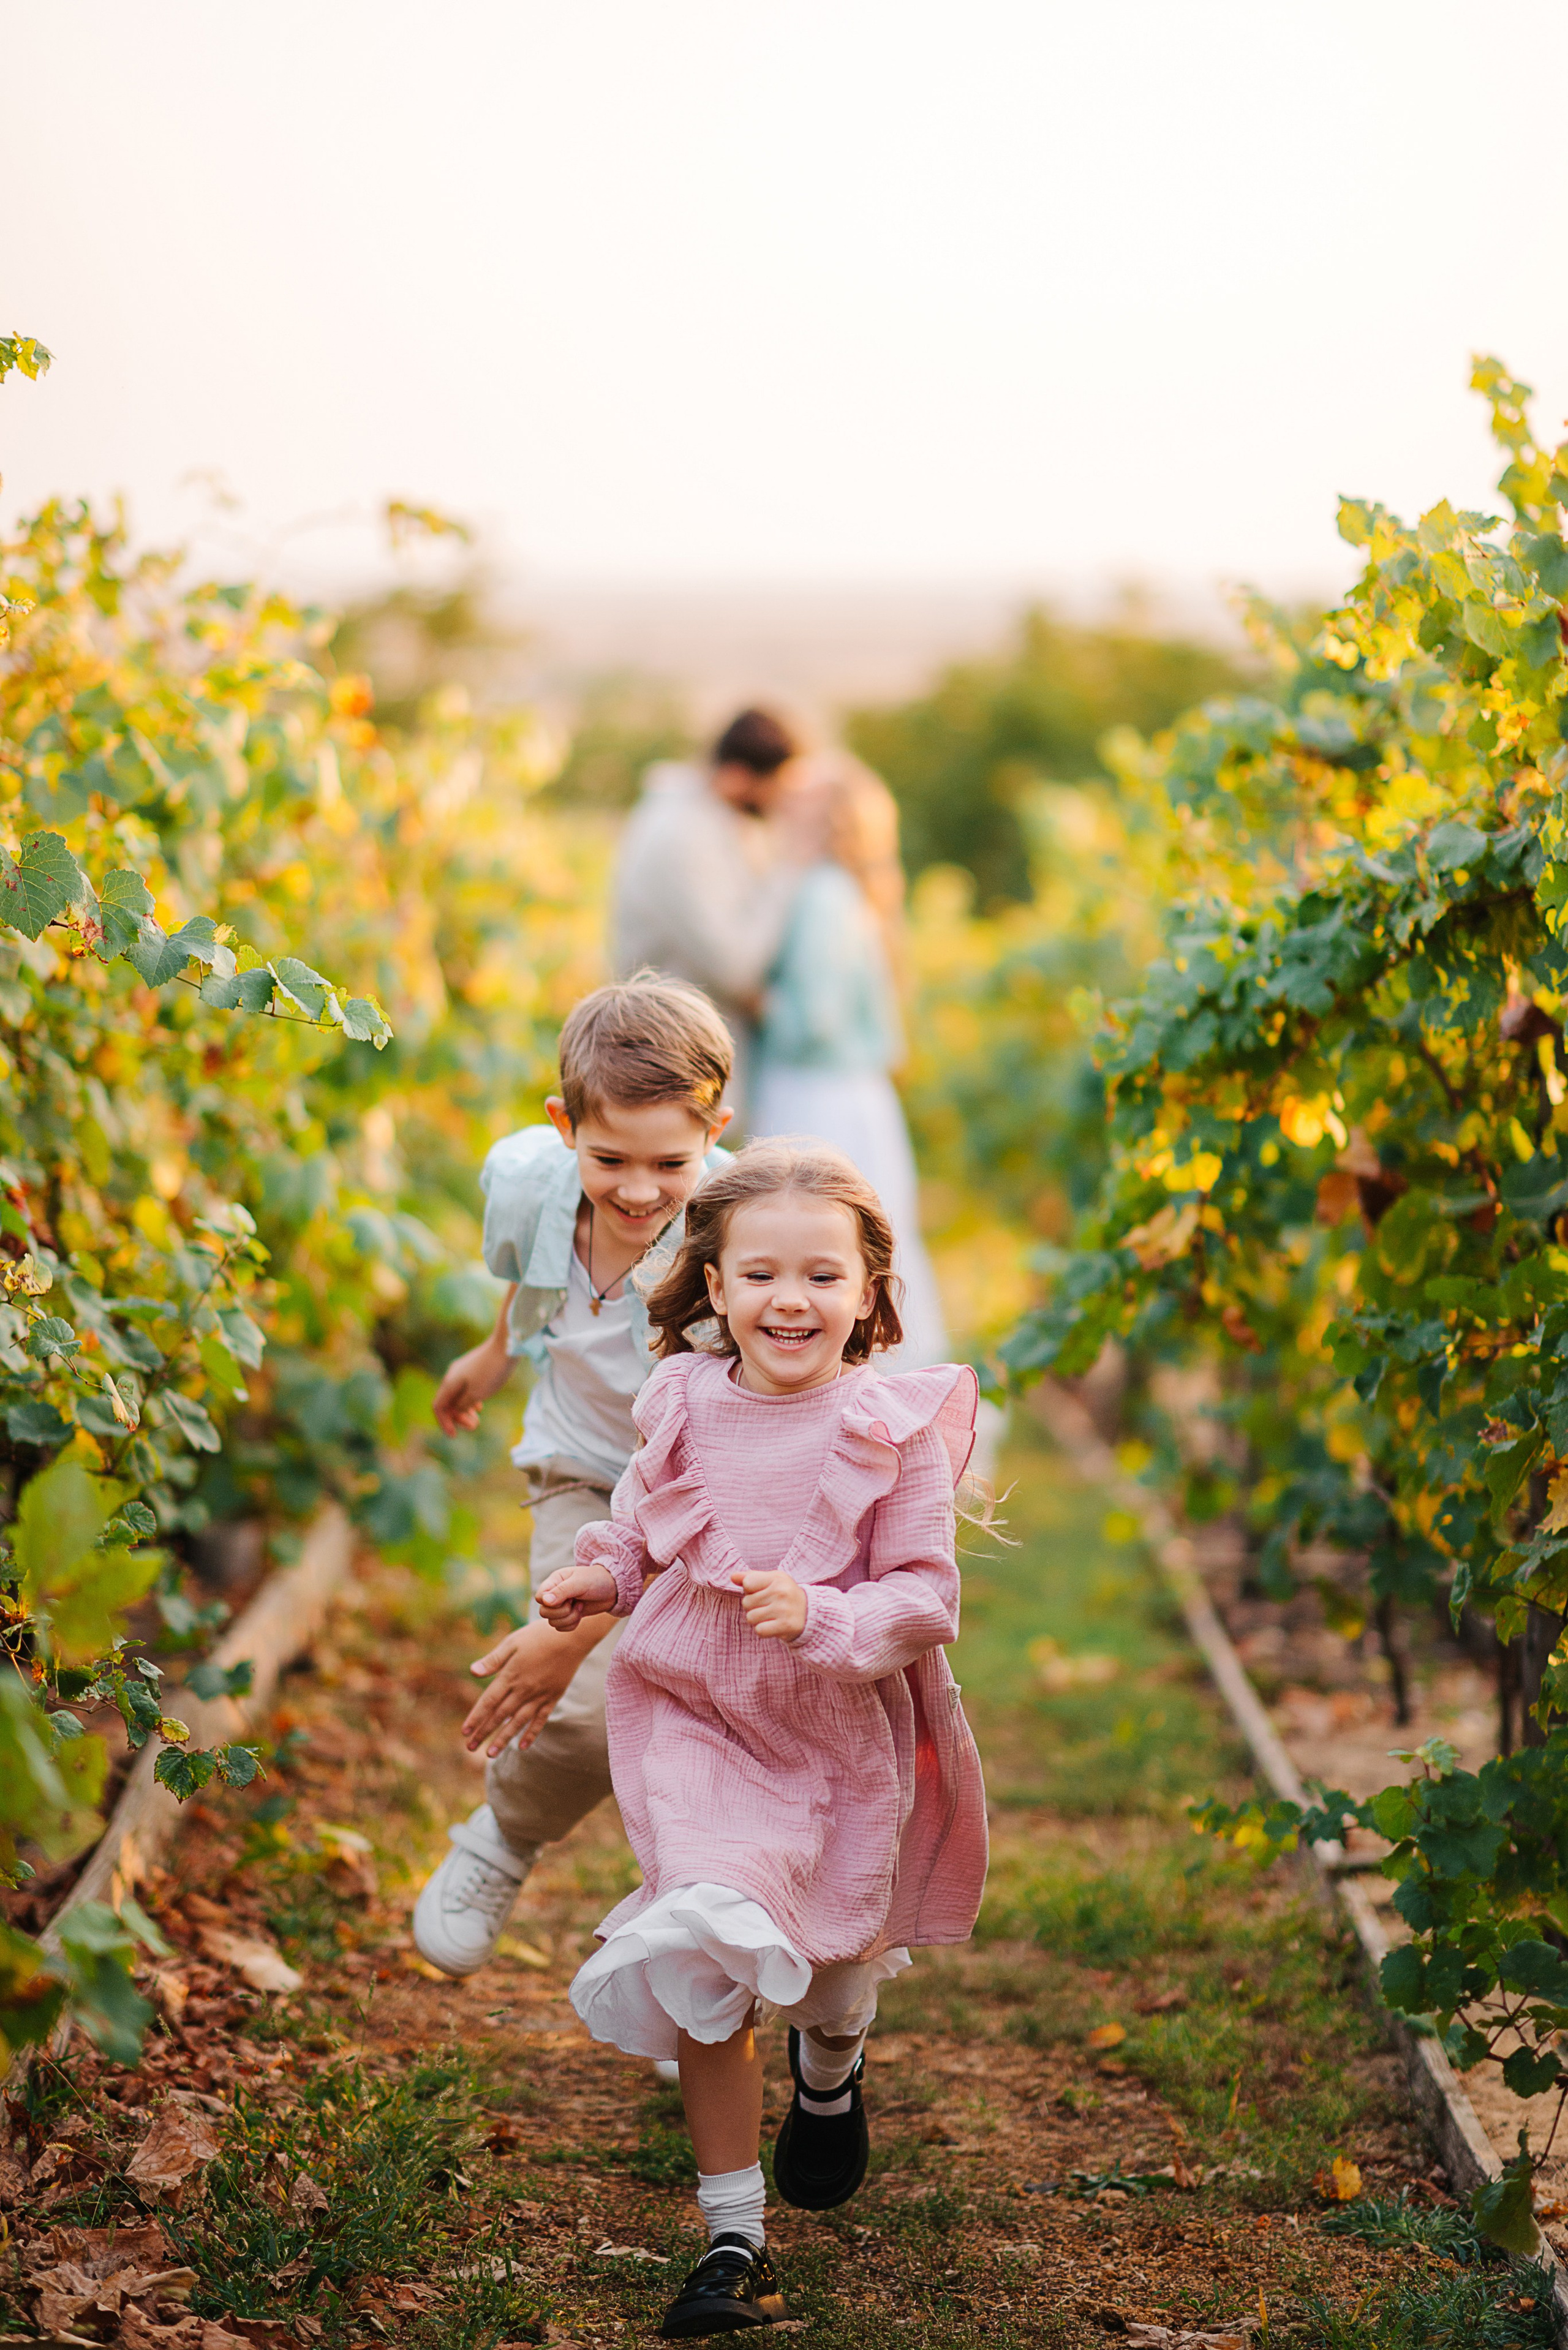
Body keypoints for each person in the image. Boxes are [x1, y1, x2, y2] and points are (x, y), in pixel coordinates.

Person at [535, 1140, 987, 2338]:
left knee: (829, 1973)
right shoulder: (682, 1397)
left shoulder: (886, 1424)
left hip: (833, 1730)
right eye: (763, 1274)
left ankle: (830, 2068)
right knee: (709, 1936)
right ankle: (732, 2235)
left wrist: (824, 1610)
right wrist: (600, 1572)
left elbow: (924, 1595)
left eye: (822, 1276)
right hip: (693, 1710)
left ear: (867, 1290)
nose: (792, 1299)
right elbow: (642, 1525)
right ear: (717, 1284)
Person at [412, 974, 734, 1988]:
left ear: (717, 1130)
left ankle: (693, 1947)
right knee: (585, 1711)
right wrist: (497, 1349)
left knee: (703, 1722)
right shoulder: (536, 1184)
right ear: (564, 1126)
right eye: (610, 1161)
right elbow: (538, 1274)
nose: (640, 1192)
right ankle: (502, 1837)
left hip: (706, 1497)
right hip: (580, 1473)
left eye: (670, 1163)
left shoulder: (730, 1231)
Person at [750, 755, 949, 1366]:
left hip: (817, 1092)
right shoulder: (849, 889)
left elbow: (815, 1020)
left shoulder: (821, 896)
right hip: (852, 1093)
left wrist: (756, 999)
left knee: (813, 1236)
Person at [611, 707, 806, 1128]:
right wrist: (789, 872)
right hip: (672, 1058)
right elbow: (736, 964)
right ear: (737, 775)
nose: (780, 801)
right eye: (776, 786)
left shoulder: (705, 824)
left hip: (687, 1050)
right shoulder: (683, 837)